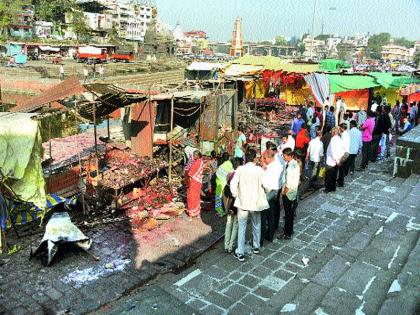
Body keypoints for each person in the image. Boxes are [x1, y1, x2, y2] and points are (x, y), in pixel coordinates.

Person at [230, 149, 268, 262]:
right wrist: (264, 192)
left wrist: (236, 194)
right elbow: (267, 185)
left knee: (242, 227)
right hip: (256, 202)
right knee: (257, 224)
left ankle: (240, 252)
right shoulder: (259, 170)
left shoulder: (240, 169)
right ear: (255, 158)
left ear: (245, 158)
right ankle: (256, 246)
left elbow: (233, 184)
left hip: (243, 202)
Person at [261, 149, 283, 246]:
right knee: (271, 214)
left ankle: (263, 236)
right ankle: (270, 234)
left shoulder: (270, 168)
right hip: (276, 190)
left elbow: (264, 181)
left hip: (269, 191)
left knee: (264, 214)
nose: (264, 160)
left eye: (265, 158)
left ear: (270, 157)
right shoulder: (278, 165)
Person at [279, 148, 300, 239]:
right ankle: (290, 230)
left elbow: (289, 182)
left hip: (289, 192)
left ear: (289, 156)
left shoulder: (291, 167)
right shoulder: (295, 163)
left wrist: (284, 193)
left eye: (284, 156)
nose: (283, 157)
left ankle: (287, 232)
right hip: (294, 191)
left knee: (288, 213)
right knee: (290, 213)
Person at [223, 157, 243, 253]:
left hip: (229, 204)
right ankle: (231, 246)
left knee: (228, 223)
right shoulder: (240, 175)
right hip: (236, 203)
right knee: (235, 224)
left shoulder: (229, 175)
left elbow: (225, 192)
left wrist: (225, 206)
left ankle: (226, 245)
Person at [302, 127, 324, 192]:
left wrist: (306, 157)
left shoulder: (312, 141)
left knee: (310, 171)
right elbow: (321, 154)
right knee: (314, 173)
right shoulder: (320, 143)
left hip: (311, 159)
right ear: (320, 135)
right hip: (317, 160)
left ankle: (309, 182)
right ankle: (311, 185)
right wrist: (322, 161)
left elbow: (308, 150)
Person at [325, 127, 344, 193]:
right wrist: (339, 159)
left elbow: (333, 151)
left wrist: (336, 160)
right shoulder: (340, 139)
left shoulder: (333, 139)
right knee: (334, 175)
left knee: (328, 175)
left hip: (332, 160)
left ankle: (328, 188)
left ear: (333, 132)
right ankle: (333, 188)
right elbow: (342, 150)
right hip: (337, 159)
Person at [186, 150, 204, 218]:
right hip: (199, 181)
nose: (193, 156)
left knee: (191, 196)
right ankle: (197, 213)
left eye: (194, 155)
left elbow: (191, 172)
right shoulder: (201, 161)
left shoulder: (197, 162)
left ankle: (191, 214)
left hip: (193, 181)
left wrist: (188, 174)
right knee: (197, 196)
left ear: (198, 155)